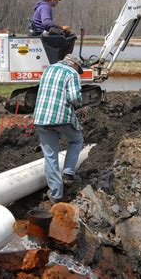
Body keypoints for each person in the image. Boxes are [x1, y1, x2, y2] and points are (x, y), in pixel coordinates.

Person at [33, 54, 84, 204]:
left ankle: (56, 194)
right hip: (60, 117)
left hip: (41, 118)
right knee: (77, 140)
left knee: (50, 157)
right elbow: (74, 97)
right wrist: (79, 103)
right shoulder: (72, 73)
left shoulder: (48, 69)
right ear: (74, 64)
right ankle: (68, 172)